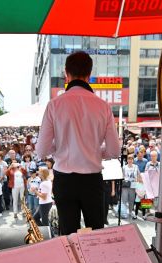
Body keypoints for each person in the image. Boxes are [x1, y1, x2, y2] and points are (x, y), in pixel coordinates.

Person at [36, 51, 120, 235]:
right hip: (92, 180)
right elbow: (114, 151)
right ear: (89, 74)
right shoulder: (103, 106)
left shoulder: (54, 105)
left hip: (65, 180)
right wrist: (94, 151)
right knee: (96, 234)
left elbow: (41, 150)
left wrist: (62, 148)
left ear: (66, 73)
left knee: (68, 236)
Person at [121, 154, 139, 219]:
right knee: (124, 200)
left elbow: (138, 176)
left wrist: (138, 186)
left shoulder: (136, 167)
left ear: (133, 160)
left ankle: (130, 211)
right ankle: (124, 212)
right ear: (127, 160)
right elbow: (122, 176)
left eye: (131, 159)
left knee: (131, 200)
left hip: (133, 185)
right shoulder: (124, 167)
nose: (130, 160)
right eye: (129, 159)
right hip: (125, 185)